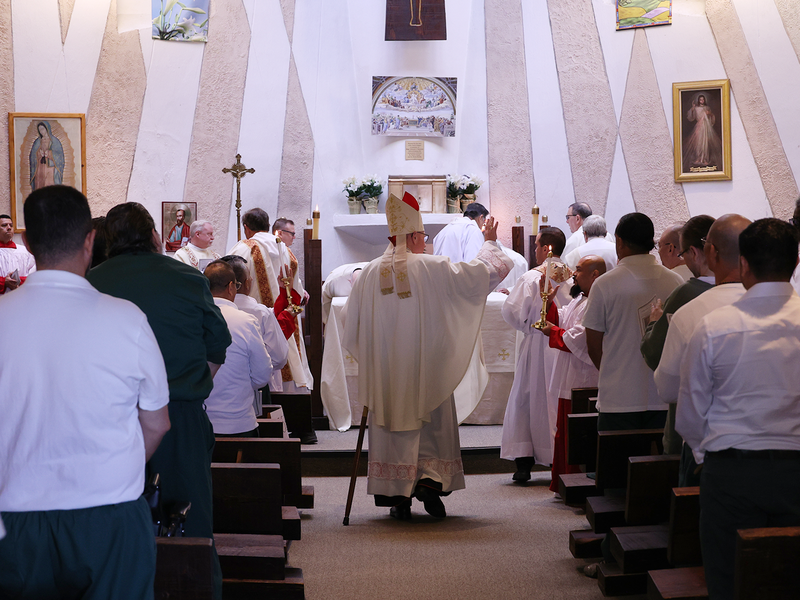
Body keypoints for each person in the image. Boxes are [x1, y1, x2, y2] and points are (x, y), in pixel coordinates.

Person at [0, 185, 171, 599]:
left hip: (14, 516)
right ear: (91, 240)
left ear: (27, 242)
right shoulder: (126, 319)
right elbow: (157, 423)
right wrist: (115, 468)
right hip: (108, 512)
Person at [87, 202, 231, 599]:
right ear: (154, 235)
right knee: (192, 521)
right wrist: (191, 387)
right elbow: (218, 345)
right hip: (179, 416)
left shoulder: (92, 281)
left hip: (110, 421)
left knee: (114, 521)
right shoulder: (187, 277)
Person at [342, 192, 512, 519]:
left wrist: (375, 355)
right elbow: (477, 276)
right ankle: (430, 486)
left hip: (387, 375)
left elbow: (351, 323)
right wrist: (490, 242)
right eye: (424, 236)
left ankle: (399, 500)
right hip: (428, 369)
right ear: (413, 237)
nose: (426, 242)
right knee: (431, 430)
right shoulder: (432, 266)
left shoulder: (368, 273)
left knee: (393, 432)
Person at [676, 218, 800, 600]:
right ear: (795, 262)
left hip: (732, 473)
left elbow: (690, 413)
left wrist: (708, 457)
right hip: (796, 470)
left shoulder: (714, 326)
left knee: (729, 582)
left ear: (743, 264)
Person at [655, 214, 750, 485]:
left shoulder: (689, 313)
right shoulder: (785, 310)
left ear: (711, 253)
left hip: (713, 451)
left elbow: (668, 390)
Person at [583, 213, 683, 431]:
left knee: (616, 454)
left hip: (618, 399)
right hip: (663, 397)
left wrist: (614, 373)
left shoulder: (604, 284)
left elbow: (593, 344)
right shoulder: (675, 281)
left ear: (619, 241)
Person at [500, 226, 572, 482]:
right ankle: (558, 460)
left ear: (544, 249)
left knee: (528, 399)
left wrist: (525, 325)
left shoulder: (533, 277)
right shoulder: (573, 277)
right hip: (563, 345)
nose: (535, 251)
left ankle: (524, 464)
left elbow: (511, 312)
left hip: (537, 345)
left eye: (536, 246)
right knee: (554, 400)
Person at [641, 215, 716, 455]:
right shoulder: (746, 291)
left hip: (693, 422)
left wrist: (653, 323)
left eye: (683, 254)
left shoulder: (686, 293)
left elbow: (654, 353)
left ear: (693, 252)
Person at [538, 255, 605, 494]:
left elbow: (581, 337)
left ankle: (576, 488)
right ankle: (563, 484)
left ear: (595, 275)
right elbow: (562, 319)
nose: (574, 274)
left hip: (583, 377)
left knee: (577, 435)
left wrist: (554, 332)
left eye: (579, 270)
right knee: (563, 432)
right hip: (569, 375)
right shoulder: (580, 298)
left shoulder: (596, 302)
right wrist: (549, 303)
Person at [203, 261, 273, 436]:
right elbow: (262, 375)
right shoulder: (246, 322)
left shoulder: (192, 319)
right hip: (239, 422)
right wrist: (242, 385)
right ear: (231, 287)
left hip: (201, 422)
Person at [220, 254, 289, 393]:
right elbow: (280, 357)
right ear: (247, 283)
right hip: (255, 388)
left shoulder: (206, 311)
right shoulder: (260, 313)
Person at [683, 94, 722, 171]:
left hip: (706, 127)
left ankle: (705, 159)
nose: (702, 101)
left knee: (705, 143)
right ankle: (698, 158)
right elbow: (691, 117)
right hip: (699, 126)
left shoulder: (707, 108)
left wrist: (709, 114)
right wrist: (693, 108)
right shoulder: (696, 108)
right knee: (698, 143)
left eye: (703, 99)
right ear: (698, 100)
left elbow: (712, 118)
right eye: (700, 99)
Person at [0, 213, 36, 294]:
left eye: (11, 225)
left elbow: (34, 275)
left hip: (21, 295)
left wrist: (17, 281)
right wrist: (3, 282)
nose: (9, 228)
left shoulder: (25, 251)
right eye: (4, 225)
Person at [29, 121, 65, 190]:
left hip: (50, 167)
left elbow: (60, 156)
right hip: (39, 167)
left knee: (49, 184)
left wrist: (49, 153)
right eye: (40, 130)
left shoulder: (55, 141)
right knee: (40, 185)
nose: (41, 131)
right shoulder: (37, 141)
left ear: (47, 128)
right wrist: (39, 153)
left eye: (42, 129)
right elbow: (32, 155)